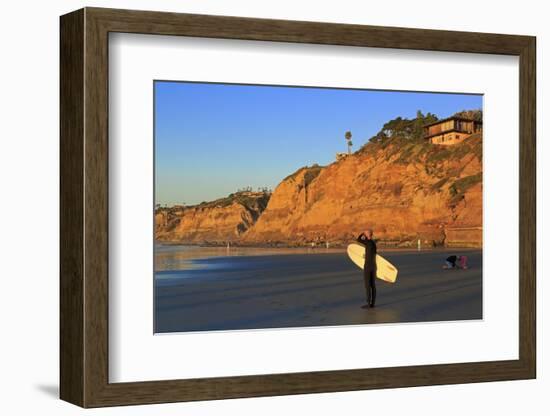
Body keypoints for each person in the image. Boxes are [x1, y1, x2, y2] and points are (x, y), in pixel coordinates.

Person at [357, 229, 377, 309]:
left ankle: (368, 303)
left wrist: (362, 233)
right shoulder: (373, 243)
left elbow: (358, 239)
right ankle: (373, 303)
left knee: (367, 285)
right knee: (372, 285)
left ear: (367, 235)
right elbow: (374, 254)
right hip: (373, 266)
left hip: (368, 267)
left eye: (365, 234)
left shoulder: (367, 242)